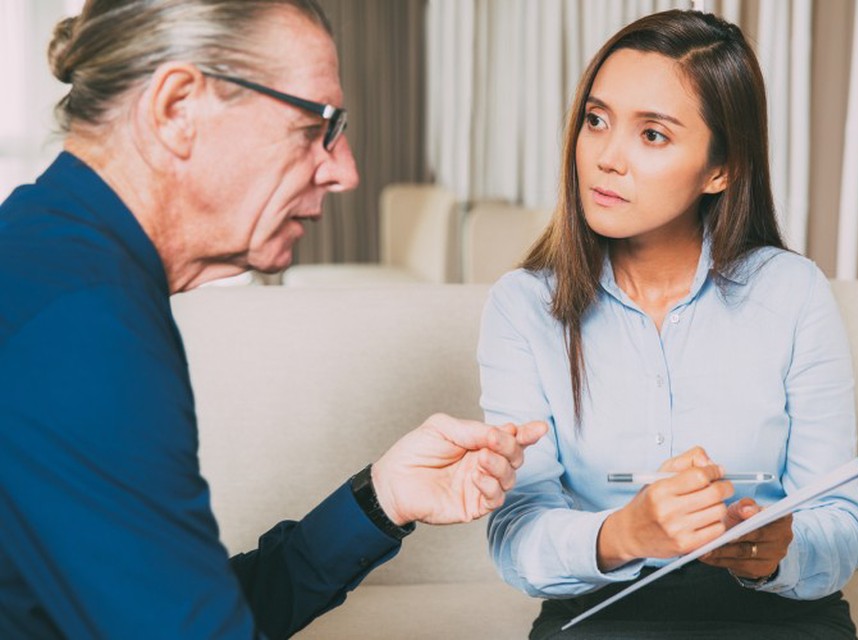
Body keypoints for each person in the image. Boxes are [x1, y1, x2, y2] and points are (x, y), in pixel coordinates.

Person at [0, 1, 547, 638]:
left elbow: (179, 607)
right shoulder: (83, 325)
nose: (345, 171)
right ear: (178, 109)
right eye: (320, 124)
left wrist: (382, 498)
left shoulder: (55, 262)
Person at [478, 10, 858, 640]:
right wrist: (622, 533)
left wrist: (778, 553)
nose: (606, 157)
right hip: (603, 612)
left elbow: (840, 522)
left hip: (777, 615)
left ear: (722, 168)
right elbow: (515, 537)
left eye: (652, 135)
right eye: (595, 120)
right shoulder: (522, 306)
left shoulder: (792, 292)